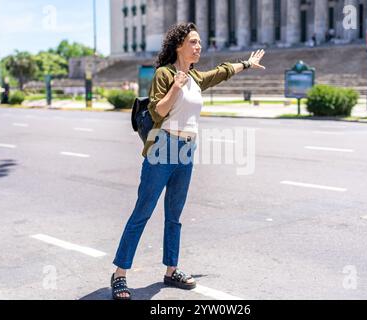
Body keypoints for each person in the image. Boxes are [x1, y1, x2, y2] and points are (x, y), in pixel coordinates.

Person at [110, 22, 266, 300]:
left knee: (175, 214)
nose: (199, 47)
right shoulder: (164, 73)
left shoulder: (194, 76)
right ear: (179, 45)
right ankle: (120, 274)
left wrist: (246, 63)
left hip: (186, 150)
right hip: (163, 147)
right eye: (193, 42)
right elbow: (157, 112)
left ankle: (171, 270)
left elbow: (220, 73)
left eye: (199, 42)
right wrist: (175, 87)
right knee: (143, 211)